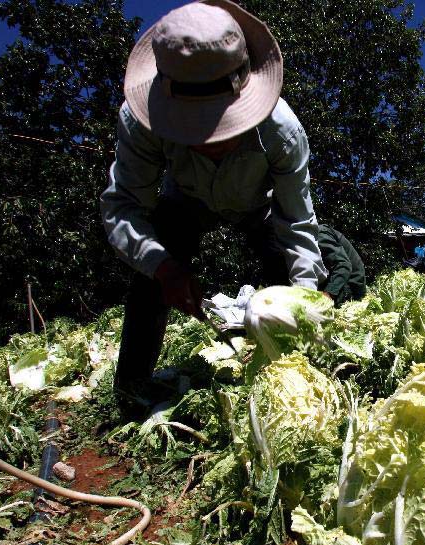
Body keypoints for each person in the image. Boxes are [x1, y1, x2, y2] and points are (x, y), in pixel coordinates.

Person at [99, 0, 327, 406]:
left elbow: (297, 221)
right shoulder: (140, 122)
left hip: (260, 207)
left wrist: (305, 302)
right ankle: (131, 389)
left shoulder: (283, 132)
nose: (216, 143)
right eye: (199, 130)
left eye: (226, 127)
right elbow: (123, 208)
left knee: (287, 277)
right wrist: (165, 267)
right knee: (151, 278)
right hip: (183, 202)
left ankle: (297, 379)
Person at [316, 225, 367, 305]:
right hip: (343, 283)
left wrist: (327, 294)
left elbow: (343, 265)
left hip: (350, 286)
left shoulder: (318, 235)